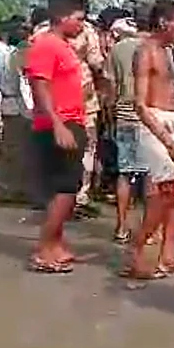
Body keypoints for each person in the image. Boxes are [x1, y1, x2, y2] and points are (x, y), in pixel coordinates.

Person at [123, 0, 174, 279]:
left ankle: (168, 256)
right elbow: (141, 105)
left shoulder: (169, 50)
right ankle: (137, 253)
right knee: (163, 194)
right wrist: (169, 143)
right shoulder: (145, 52)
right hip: (155, 125)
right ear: (163, 23)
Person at [25, 0, 90, 273]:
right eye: (78, 20)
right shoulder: (46, 45)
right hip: (59, 124)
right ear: (63, 17)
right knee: (66, 189)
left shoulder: (62, 46)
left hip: (71, 121)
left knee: (66, 188)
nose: (81, 25)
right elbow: (40, 87)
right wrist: (58, 124)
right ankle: (43, 250)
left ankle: (55, 243)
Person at [108, 0, 156, 244]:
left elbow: (111, 87)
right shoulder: (158, 49)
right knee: (151, 175)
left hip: (124, 115)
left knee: (125, 173)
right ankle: (149, 232)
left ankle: (121, 226)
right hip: (150, 119)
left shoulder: (118, 48)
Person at [68, 12, 109, 217]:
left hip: (56, 100)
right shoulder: (87, 32)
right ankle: (79, 197)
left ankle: (60, 196)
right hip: (84, 100)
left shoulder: (43, 32)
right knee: (87, 149)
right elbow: (97, 64)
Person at [0, 21, 34, 204]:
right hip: (20, 106)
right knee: (21, 151)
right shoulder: (19, 56)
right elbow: (23, 83)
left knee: (9, 149)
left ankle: (7, 187)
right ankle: (16, 188)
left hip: (7, 104)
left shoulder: (3, 55)